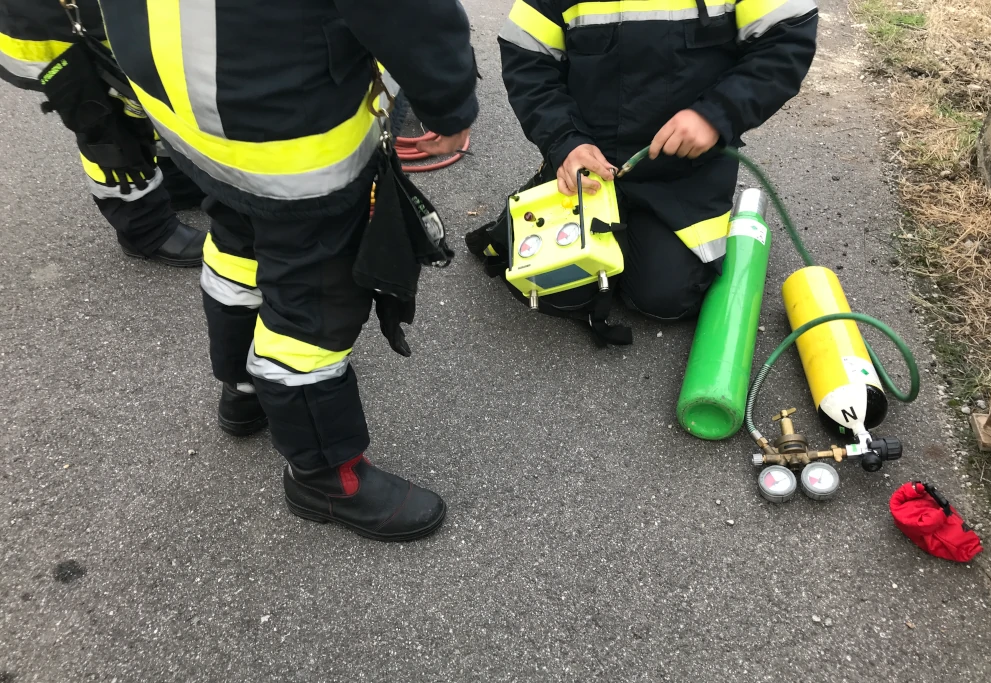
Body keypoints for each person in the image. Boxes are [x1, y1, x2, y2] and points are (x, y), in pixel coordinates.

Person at [96, 0, 478, 541]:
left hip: (193, 113)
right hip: (290, 131)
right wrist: (449, 107)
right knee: (316, 306)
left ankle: (244, 391)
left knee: (237, 246)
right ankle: (324, 474)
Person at [467, 0, 818, 344]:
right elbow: (527, 57)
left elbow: (787, 38)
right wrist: (564, 141)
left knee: (664, 300)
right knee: (558, 293)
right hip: (590, 168)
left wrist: (716, 114)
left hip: (684, 173)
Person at [0, 0, 207, 267]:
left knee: (146, 96)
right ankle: (144, 229)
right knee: (106, 125)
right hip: (59, 23)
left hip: (110, 16)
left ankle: (174, 183)